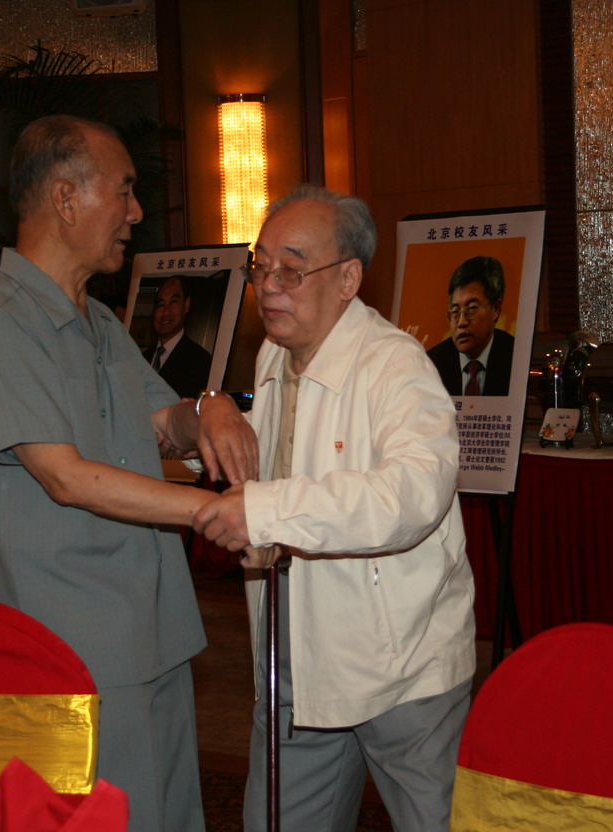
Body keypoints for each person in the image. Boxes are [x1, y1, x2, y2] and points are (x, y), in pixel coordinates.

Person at [0, 114, 258, 832]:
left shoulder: (100, 322)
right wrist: (208, 512)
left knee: (170, 812)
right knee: (104, 818)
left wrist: (208, 408)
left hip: (150, 621)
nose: (135, 213)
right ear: (65, 198)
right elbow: (65, 476)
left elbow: (161, 420)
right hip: (72, 638)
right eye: (124, 190)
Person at [193, 184, 476, 832]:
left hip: (402, 665)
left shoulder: (396, 366)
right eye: (261, 266)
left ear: (348, 279)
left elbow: (411, 494)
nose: (269, 286)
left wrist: (265, 510)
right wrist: (209, 415)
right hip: (295, 654)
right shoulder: (272, 353)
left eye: (292, 270)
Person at [426, 255, 515, 396]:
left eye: (472, 308)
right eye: (455, 311)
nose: (461, 322)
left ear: (496, 309)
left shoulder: (516, 357)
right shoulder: (432, 364)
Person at [144, 275, 212, 399]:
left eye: (173, 302)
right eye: (161, 304)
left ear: (186, 305)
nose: (166, 312)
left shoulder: (201, 362)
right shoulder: (141, 359)